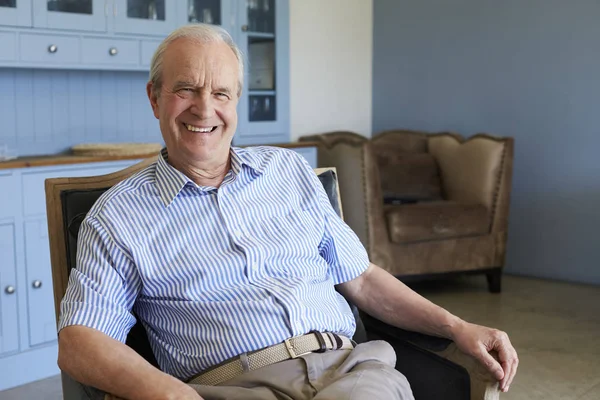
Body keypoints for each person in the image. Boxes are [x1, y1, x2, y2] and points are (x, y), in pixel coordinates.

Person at [57, 24, 518, 400]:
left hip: (353, 373)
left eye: (221, 93)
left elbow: (361, 278)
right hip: (233, 387)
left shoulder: (289, 171)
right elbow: (80, 342)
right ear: (155, 98)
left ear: (236, 102)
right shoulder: (117, 215)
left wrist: (456, 326)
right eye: (186, 89)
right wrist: (173, 396)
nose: (205, 107)